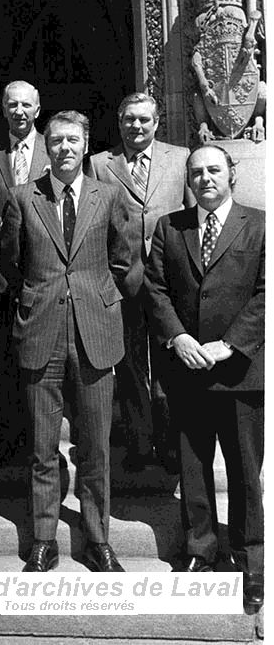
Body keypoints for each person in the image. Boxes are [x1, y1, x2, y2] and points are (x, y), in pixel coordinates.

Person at [0, 110, 130, 573]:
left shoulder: (109, 196)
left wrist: (95, 297)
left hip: (95, 332)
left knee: (95, 448)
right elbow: (12, 264)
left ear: (86, 143)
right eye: (56, 142)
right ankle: (42, 539)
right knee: (41, 447)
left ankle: (98, 540)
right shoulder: (22, 198)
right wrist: (38, 298)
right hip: (42, 333)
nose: (65, 149)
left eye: (73, 140)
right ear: (46, 147)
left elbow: (122, 259)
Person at [144, 144, 264, 608]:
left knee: (243, 470)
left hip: (240, 371)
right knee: (193, 466)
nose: (205, 179)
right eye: (196, 173)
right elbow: (154, 288)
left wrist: (229, 342)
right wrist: (177, 338)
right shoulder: (169, 228)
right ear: (188, 181)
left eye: (215, 170)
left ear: (231, 173)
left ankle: (250, 558)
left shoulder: (259, 224)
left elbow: (265, 291)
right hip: (188, 368)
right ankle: (200, 549)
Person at [88, 92, 192, 472]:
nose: (136, 126)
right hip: (124, 279)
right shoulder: (101, 164)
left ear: (157, 122)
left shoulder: (179, 159)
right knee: (131, 367)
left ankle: (169, 443)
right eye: (129, 119)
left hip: (170, 281)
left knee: (169, 366)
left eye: (144, 120)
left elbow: (190, 219)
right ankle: (138, 441)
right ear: (119, 122)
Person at [0, 80, 49, 461]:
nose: (19, 111)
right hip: (3, 275)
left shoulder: (56, 147)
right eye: (12, 105)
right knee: (8, 361)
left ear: (37, 109)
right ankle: (11, 439)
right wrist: (6, 226)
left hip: (46, 274)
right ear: (3, 109)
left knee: (44, 363)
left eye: (26, 105)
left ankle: (42, 441)